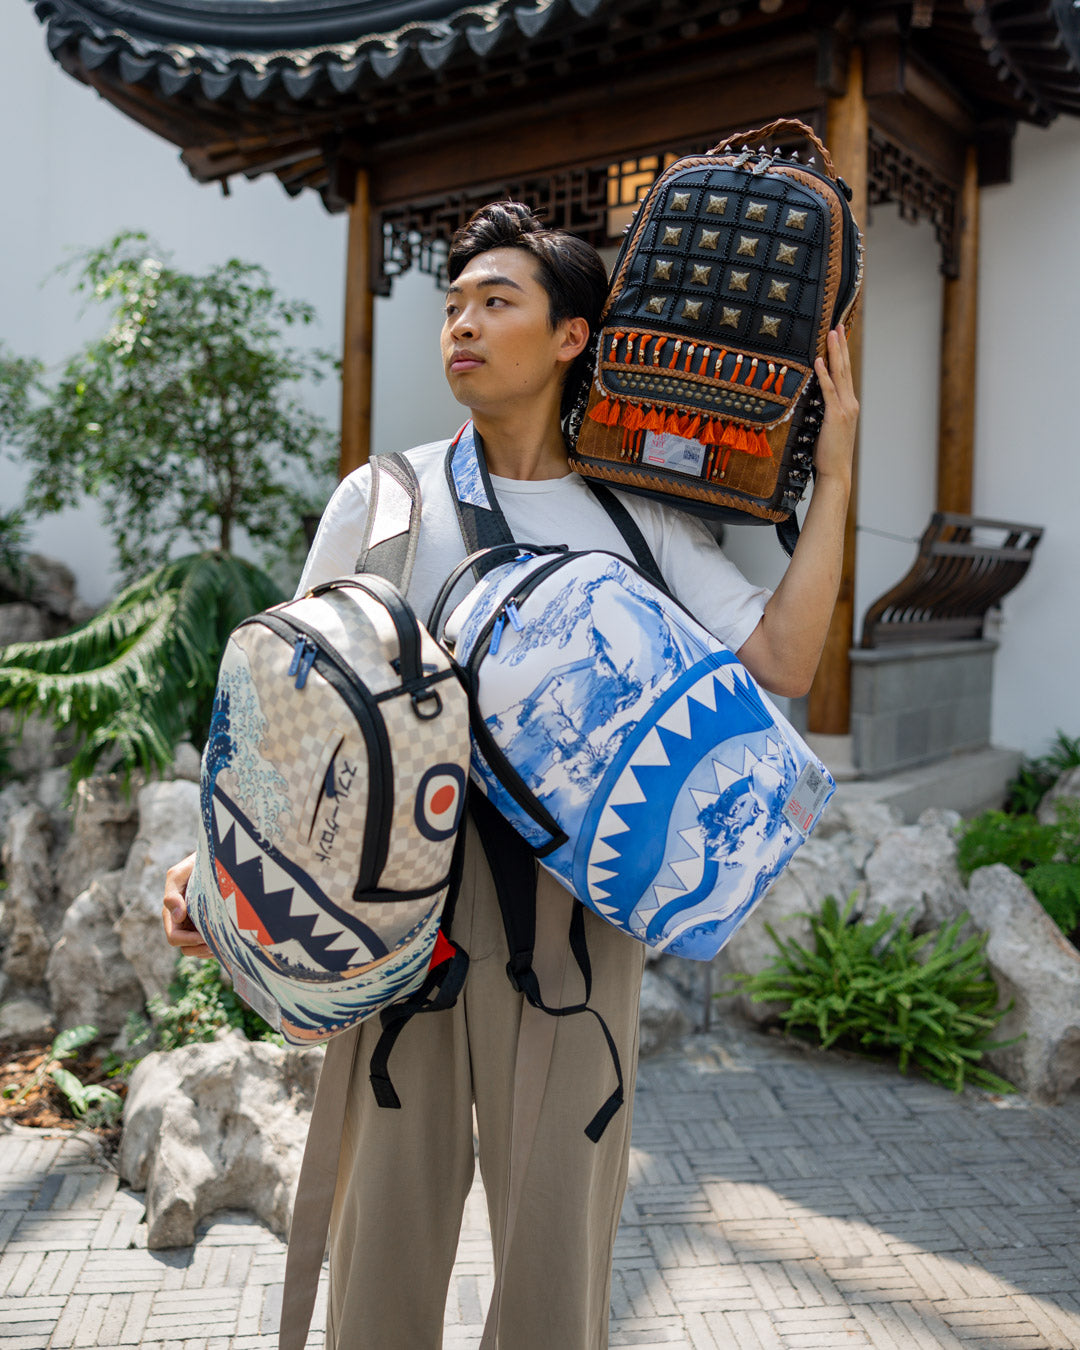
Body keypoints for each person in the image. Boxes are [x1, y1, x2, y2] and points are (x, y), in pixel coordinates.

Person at [163, 201, 858, 1349]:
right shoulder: (381, 501)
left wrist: (831, 477)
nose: (463, 326)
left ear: (573, 335)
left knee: (555, 1265)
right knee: (380, 1254)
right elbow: (292, 708)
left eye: (497, 302)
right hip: (397, 913)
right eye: (452, 307)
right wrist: (220, 866)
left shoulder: (634, 513)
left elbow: (783, 658)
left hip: (575, 930)